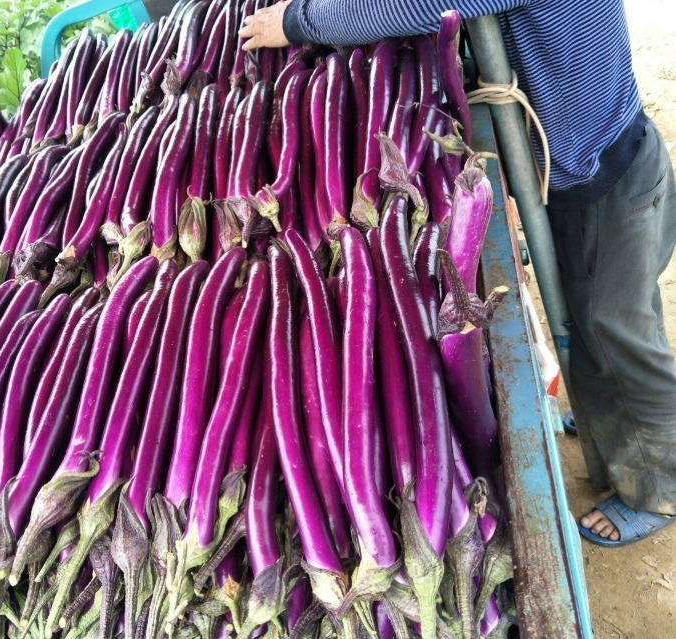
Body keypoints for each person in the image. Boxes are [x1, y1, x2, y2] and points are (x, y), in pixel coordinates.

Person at [240, 0, 676, 547]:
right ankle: (612, 425)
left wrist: (301, 22)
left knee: (623, 335)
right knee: (591, 318)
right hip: (585, 172)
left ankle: (661, 487)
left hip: (609, 180)